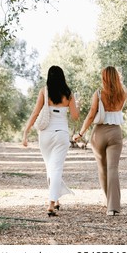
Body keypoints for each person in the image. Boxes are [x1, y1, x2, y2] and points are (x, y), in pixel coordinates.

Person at [22, 65, 80, 217]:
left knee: (51, 168)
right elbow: (75, 116)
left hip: (45, 135)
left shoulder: (44, 91)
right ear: (62, 77)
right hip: (61, 134)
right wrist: (77, 105)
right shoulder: (68, 94)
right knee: (55, 168)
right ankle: (52, 203)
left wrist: (26, 132)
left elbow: (35, 112)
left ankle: (53, 202)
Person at [73, 66, 127, 216]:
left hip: (99, 133)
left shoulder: (99, 94)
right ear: (116, 77)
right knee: (113, 168)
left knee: (102, 169)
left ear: (104, 77)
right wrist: (121, 82)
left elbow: (91, 115)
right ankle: (113, 207)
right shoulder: (122, 93)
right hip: (115, 133)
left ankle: (108, 201)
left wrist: (80, 133)